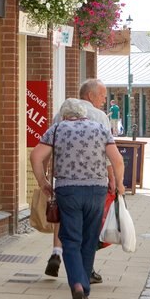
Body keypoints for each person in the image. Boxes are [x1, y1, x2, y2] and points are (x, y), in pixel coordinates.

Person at [31, 98, 125, 299]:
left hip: (68, 190)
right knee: (89, 238)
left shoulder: (57, 129)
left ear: (65, 115)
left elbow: (36, 156)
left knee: (70, 239)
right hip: (96, 191)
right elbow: (117, 160)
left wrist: (43, 181)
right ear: (84, 114)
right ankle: (84, 285)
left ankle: (78, 285)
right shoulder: (100, 128)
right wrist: (119, 184)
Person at [45, 79, 114, 284]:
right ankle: (85, 272)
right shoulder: (100, 117)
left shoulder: (62, 113)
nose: (104, 100)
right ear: (90, 96)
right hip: (94, 182)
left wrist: (45, 177)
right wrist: (114, 180)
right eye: (102, 95)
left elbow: (47, 146)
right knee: (87, 228)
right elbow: (110, 155)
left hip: (65, 180)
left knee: (66, 220)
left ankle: (57, 252)